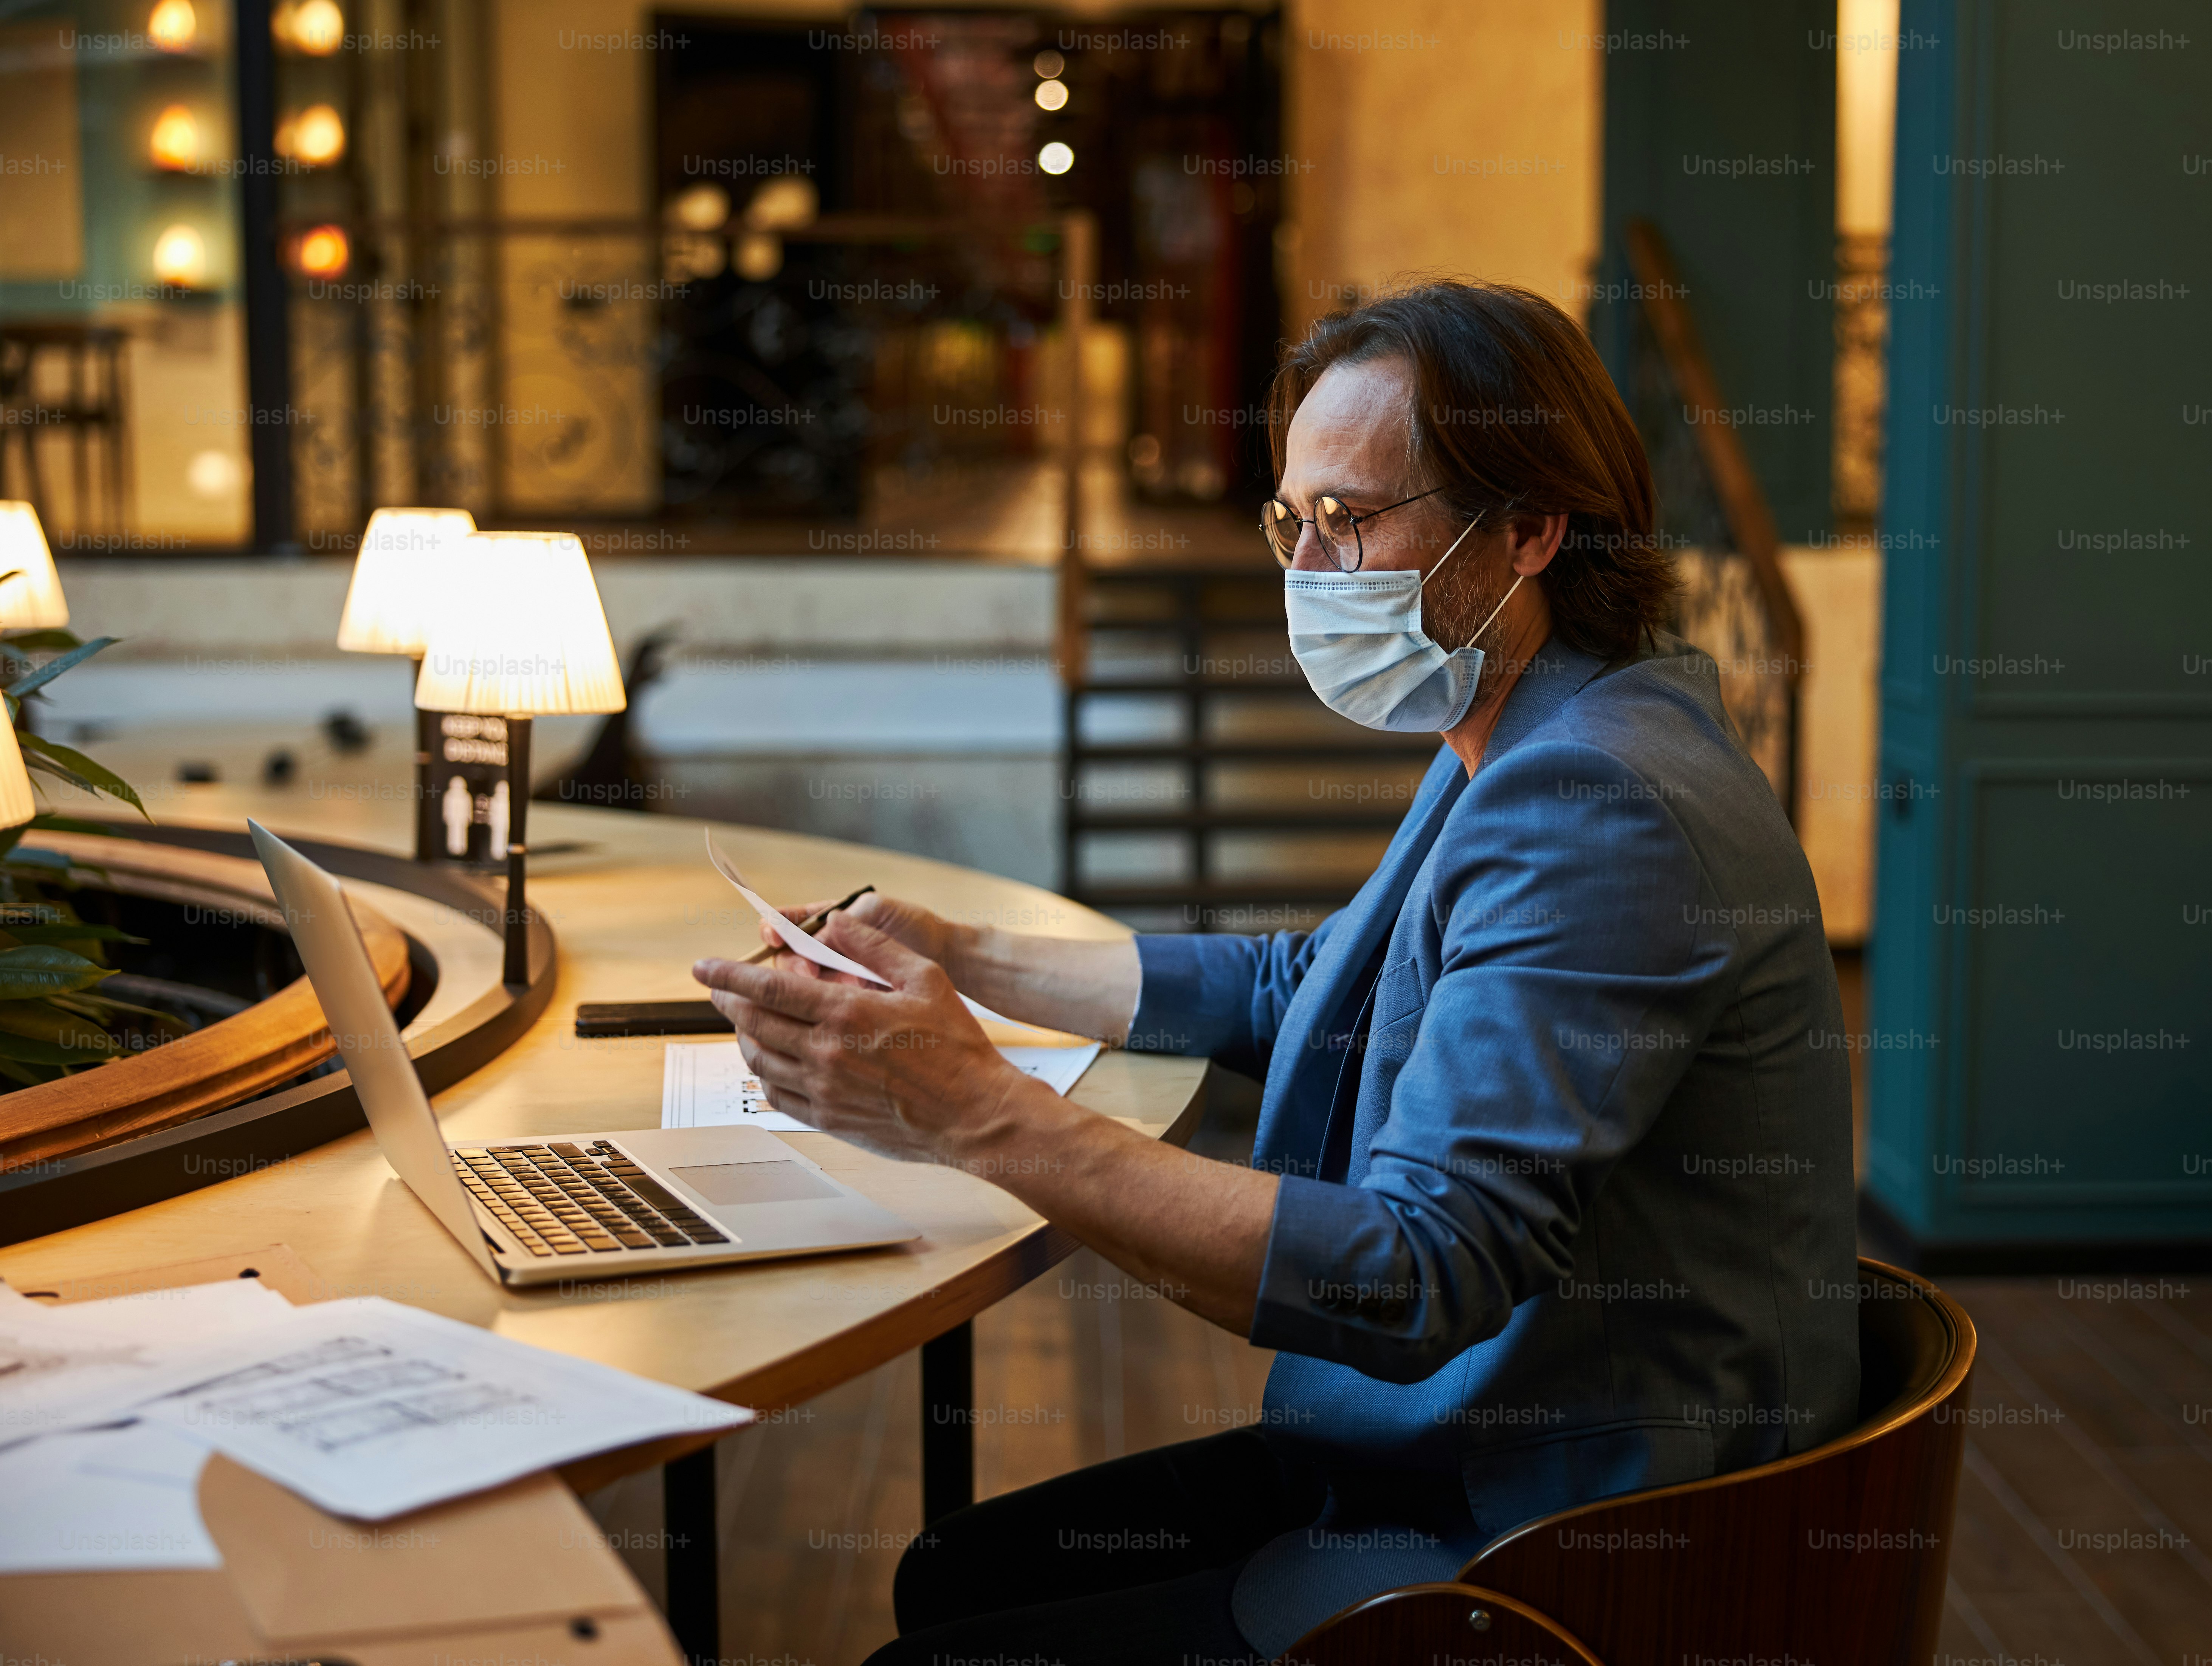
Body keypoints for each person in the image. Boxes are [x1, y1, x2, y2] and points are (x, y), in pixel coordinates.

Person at [692, 278, 1859, 1664]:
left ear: (1531, 528)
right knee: (956, 1567)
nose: (1307, 573)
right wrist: (965, 959)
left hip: (1554, 1538)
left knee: (930, 1642)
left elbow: (1422, 1271)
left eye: (1352, 522)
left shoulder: (1594, 803)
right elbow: (1319, 976)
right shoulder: (1546, 718)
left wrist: (972, 1109)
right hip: (1479, 1443)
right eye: (1290, 522)